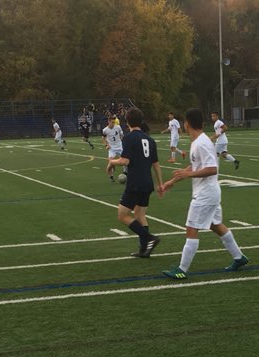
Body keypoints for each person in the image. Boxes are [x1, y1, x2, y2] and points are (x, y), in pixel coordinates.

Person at [161, 109, 248, 279]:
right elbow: (195, 166)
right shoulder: (198, 142)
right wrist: (172, 181)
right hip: (209, 192)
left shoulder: (201, 143)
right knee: (216, 225)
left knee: (191, 228)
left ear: (187, 124)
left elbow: (212, 169)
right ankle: (239, 257)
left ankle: (182, 269)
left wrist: (188, 175)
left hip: (206, 194)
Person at [107, 108, 164, 258]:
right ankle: (144, 250)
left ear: (127, 122)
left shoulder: (129, 138)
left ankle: (149, 238)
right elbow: (156, 165)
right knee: (140, 215)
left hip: (135, 183)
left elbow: (125, 160)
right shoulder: (150, 140)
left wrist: (111, 162)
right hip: (147, 183)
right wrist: (161, 184)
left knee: (122, 215)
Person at [102, 112, 124, 180]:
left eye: (114, 122)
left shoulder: (118, 127)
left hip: (119, 146)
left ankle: (125, 172)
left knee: (126, 160)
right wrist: (106, 145)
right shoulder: (105, 130)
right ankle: (111, 176)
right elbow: (103, 138)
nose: (113, 123)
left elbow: (121, 134)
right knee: (110, 163)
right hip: (112, 148)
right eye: (112, 122)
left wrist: (121, 139)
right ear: (108, 121)